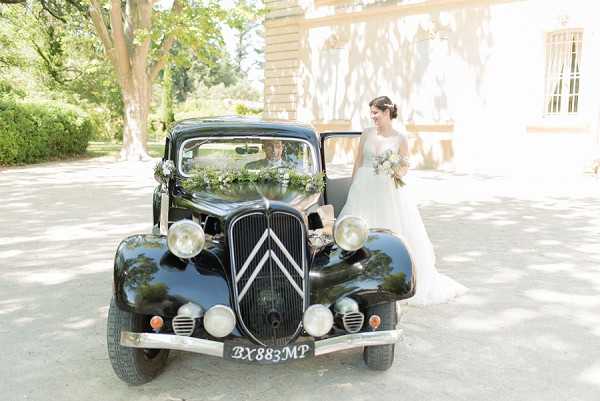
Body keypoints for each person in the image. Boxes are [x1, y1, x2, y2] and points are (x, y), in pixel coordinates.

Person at [339, 96, 467, 305]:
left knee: (389, 230)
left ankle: (390, 278)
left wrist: (394, 168)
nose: (372, 117)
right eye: (371, 112)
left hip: (387, 191)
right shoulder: (366, 134)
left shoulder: (400, 138)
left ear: (387, 113)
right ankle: (356, 276)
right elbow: (358, 162)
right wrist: (352, 186)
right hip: (363, 189)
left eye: (375, 112)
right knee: (358, 229)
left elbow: (405, 167)